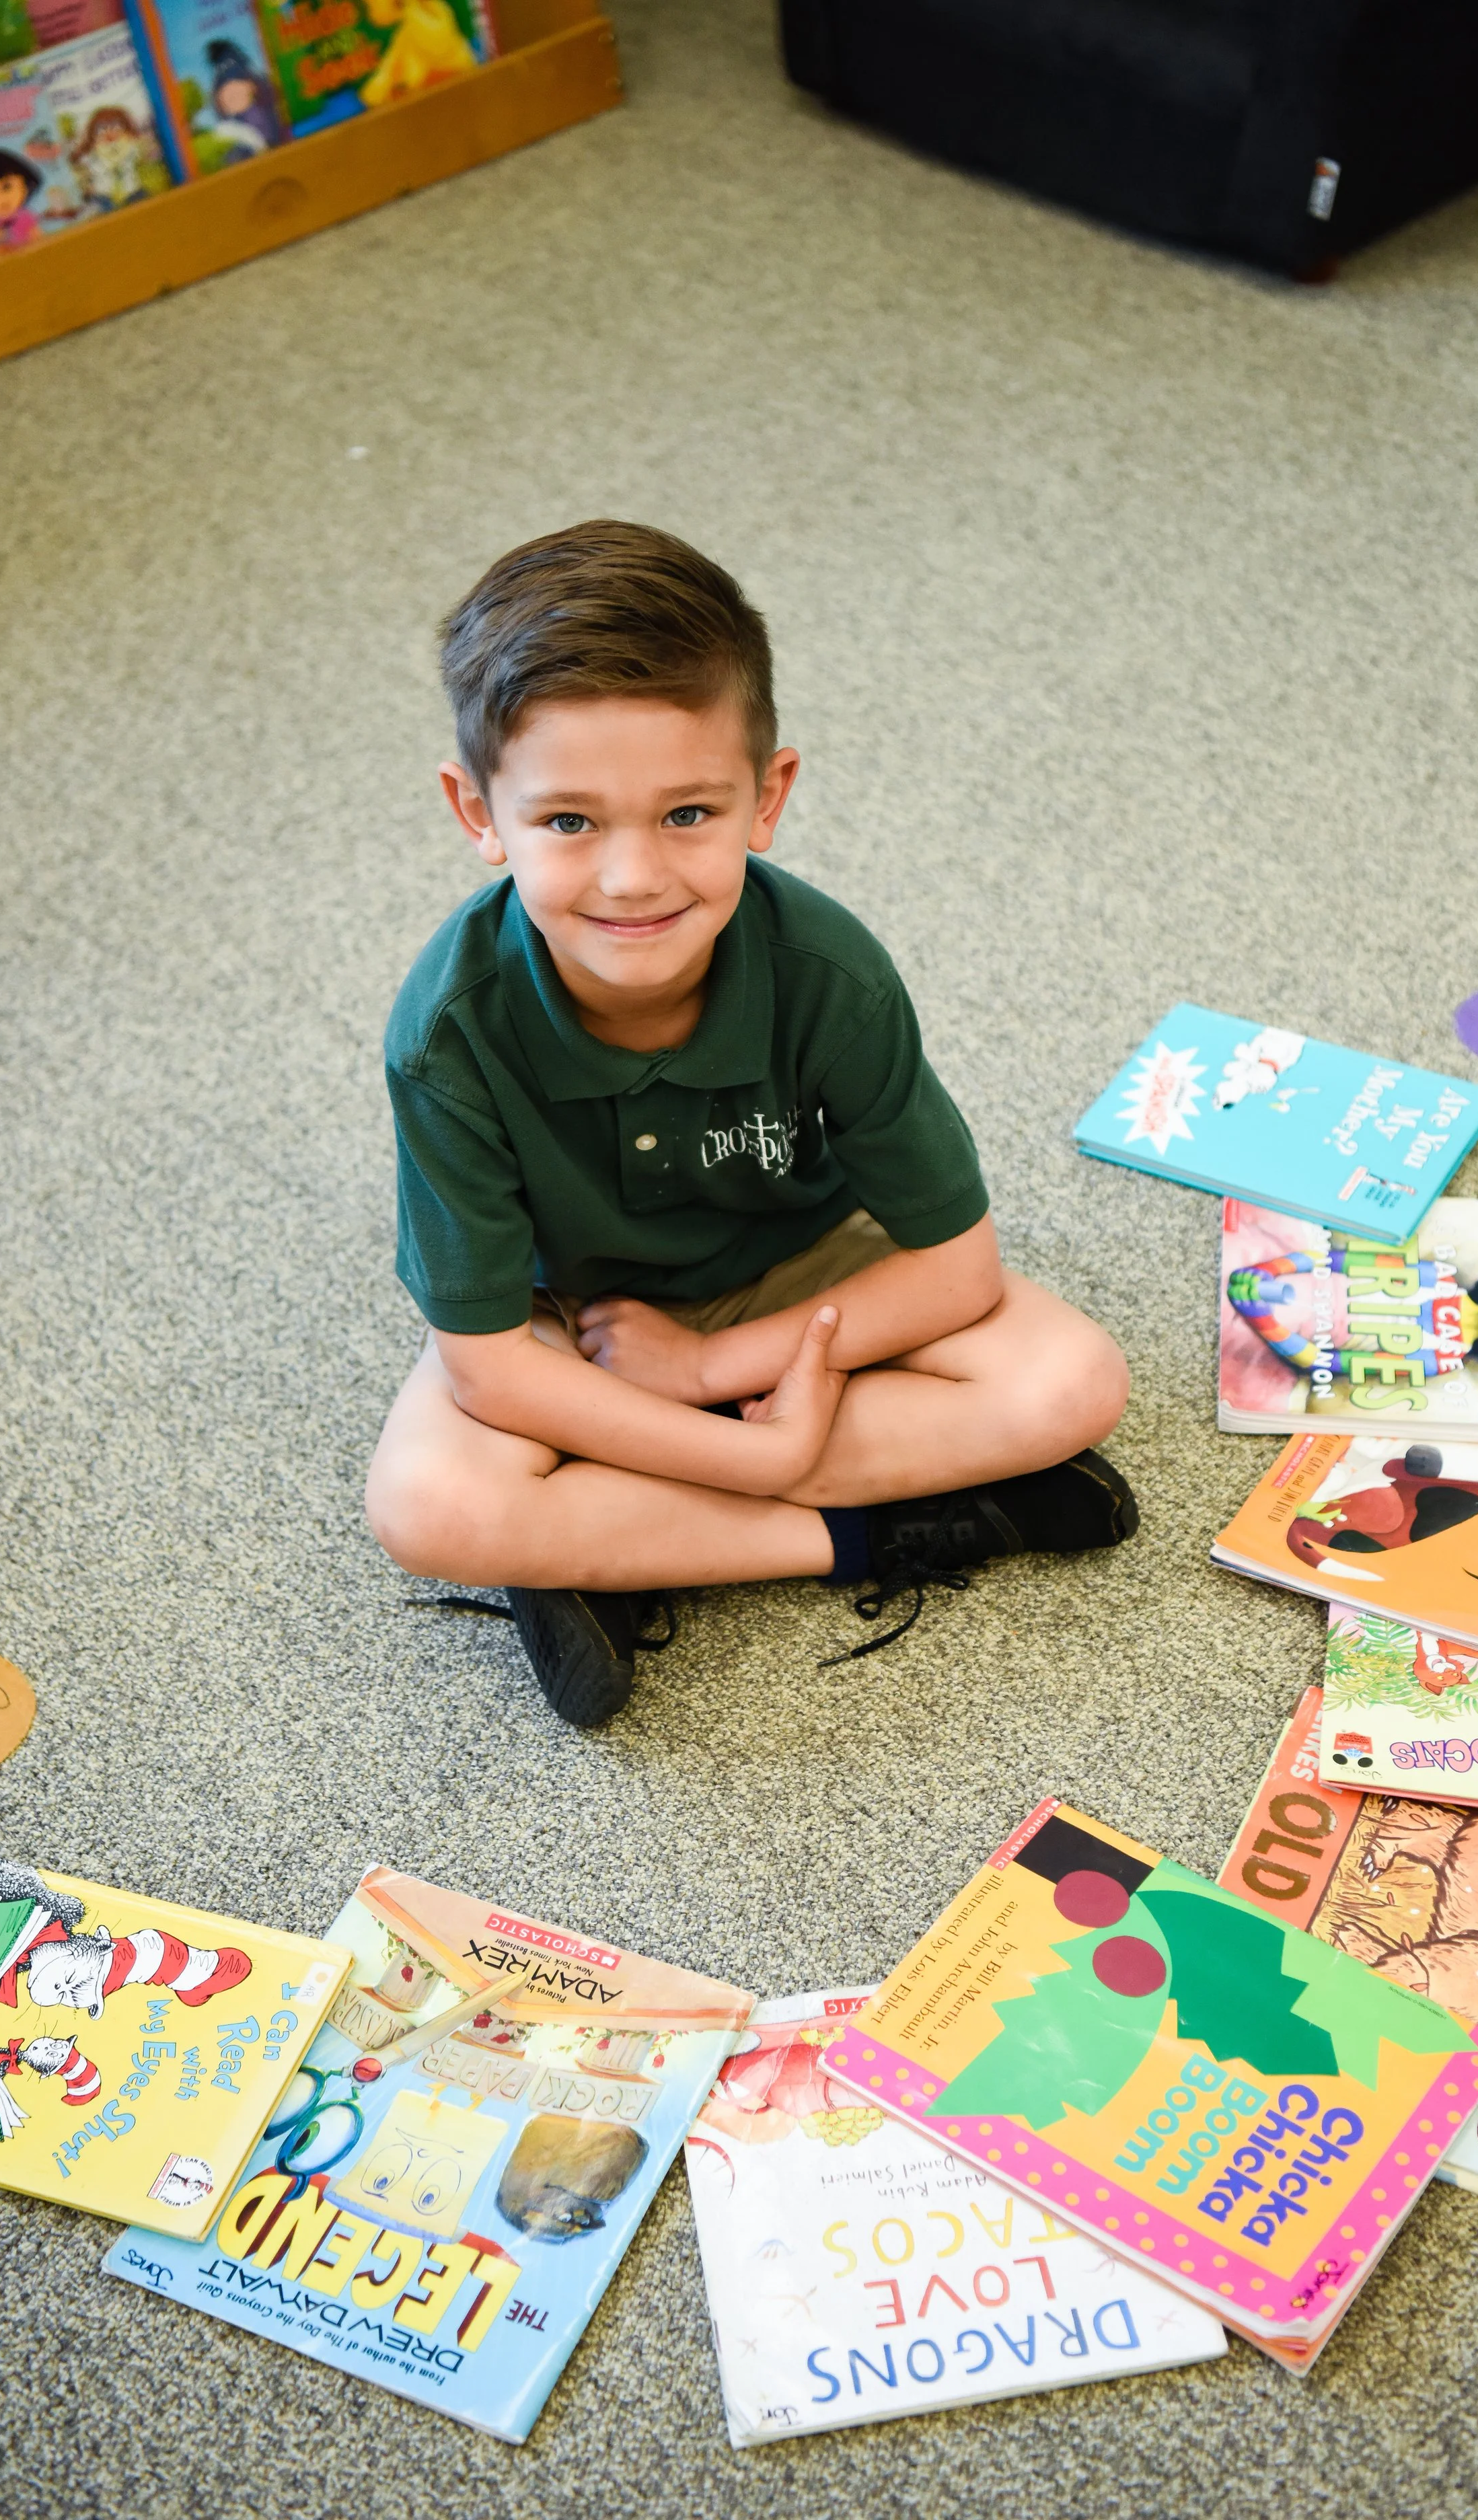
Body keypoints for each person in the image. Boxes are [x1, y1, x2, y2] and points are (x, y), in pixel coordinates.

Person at [365, 521, 1136, 1727]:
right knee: (428, 1510)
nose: (632, 878)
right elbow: (487, 1359)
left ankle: (609, 1545)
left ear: (766, 799)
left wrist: (715, 1369)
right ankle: (870, 1537)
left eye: (687, 813)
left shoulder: (832, 974)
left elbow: (957, 1265)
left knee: (1072, 1384)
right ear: (481, 812)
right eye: (569, 821)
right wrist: (755, 1457)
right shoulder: (446, 1030)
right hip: (571, 1312)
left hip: (800, 1269)